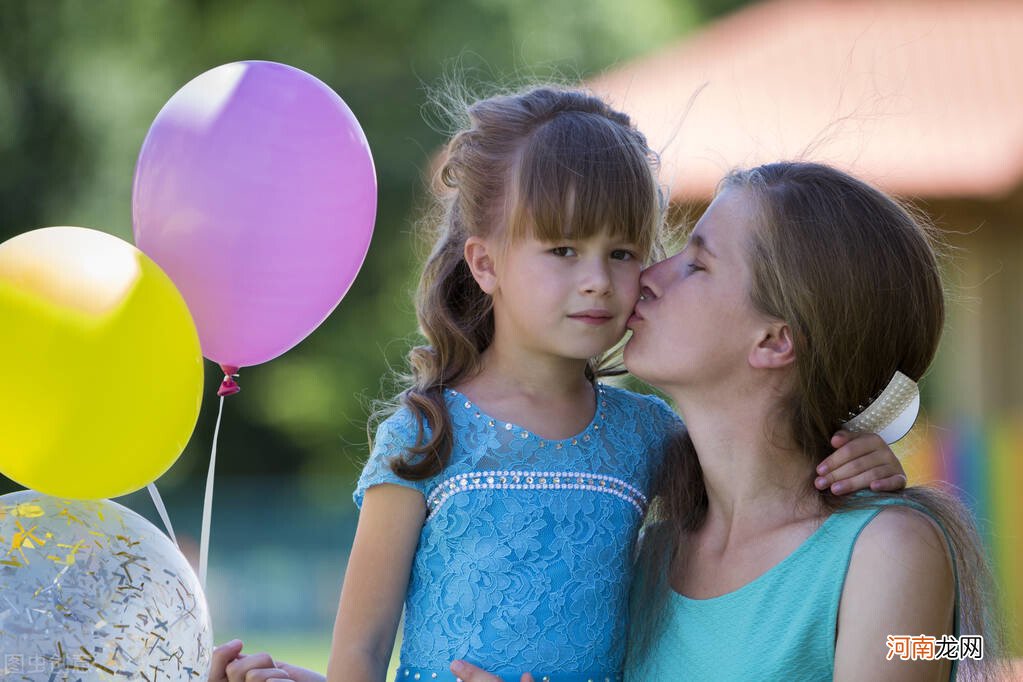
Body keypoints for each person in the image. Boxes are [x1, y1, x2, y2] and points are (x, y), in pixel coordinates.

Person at [209, 94, 908, 682]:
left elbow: (942, 648)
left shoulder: (660, 442)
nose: (604, 282)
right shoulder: (430, 436)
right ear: (484, 264)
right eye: (563, 250)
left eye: (628, 253)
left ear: (774, 339)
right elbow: (357, 652)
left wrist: (867, 449)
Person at [454, 161, 1003, 682]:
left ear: (774, 340)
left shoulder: (889, 548)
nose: (646, 276)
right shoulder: (647, 554)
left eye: (696, 264)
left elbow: (964, 648)